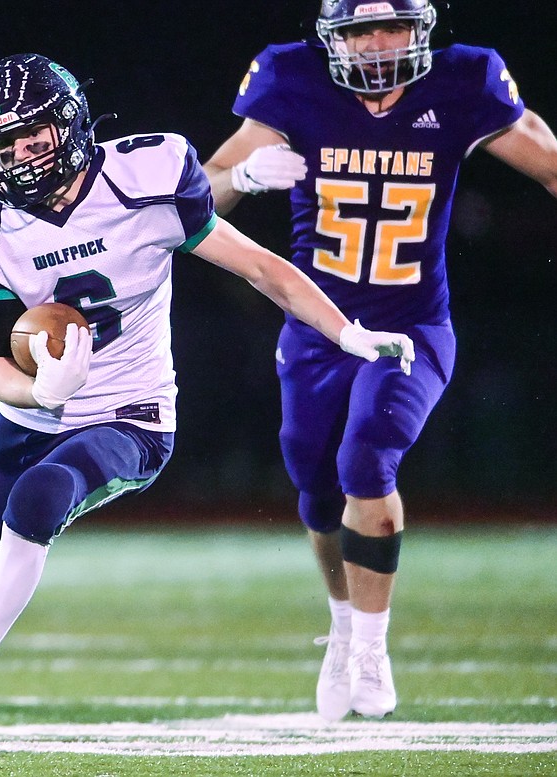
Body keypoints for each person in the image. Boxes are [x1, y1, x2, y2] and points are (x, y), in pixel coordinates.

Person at [0, 52, 414, 770]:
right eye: (1, 144)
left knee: (38, 495)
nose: (18, 158)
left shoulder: (146, 179)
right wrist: (41, 393)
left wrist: (348, 331)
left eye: (33, 137)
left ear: (72, 124)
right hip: (34, 415)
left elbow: (263, 268)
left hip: (130, 413)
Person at [202, 0, 557, 722]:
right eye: (362, 31)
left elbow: (551, 163)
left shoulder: (466, 80)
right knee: (313, 477)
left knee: (367, 455)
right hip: (316, 324)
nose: (379, 45)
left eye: (392, 27)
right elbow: (200, 196)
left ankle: (371, 644)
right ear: (334, 38)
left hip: (411, 325)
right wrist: (249, 176)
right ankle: (341, 621)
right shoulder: (289, 79)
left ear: (423, 29)